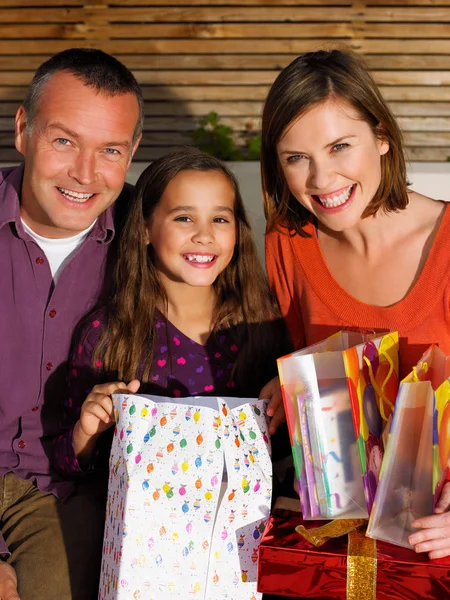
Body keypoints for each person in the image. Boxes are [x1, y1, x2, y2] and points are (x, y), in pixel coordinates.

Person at [51, 146, 291, 598]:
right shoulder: (109, 332)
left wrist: (289, 395)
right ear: (144, 229)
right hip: (144, 561)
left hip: (238, 557)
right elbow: (67, 463)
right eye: (184, 218)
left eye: (220, 219)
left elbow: (283, 457)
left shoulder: (261, 324)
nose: (204, 236)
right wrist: (89, 427)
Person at [261, 49, 450, 560]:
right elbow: (319, 378)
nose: (321, 180)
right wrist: (287, 387)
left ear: (382, 136)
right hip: (336, 538)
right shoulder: (287, 242)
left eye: (340, 146)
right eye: (296, 158)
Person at [0, 48, 143, 600]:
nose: (85, 173)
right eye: (63, 140)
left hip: (74, 492)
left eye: (109, 149)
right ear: (23, 129)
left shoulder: (154, 235)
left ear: (131, 152)